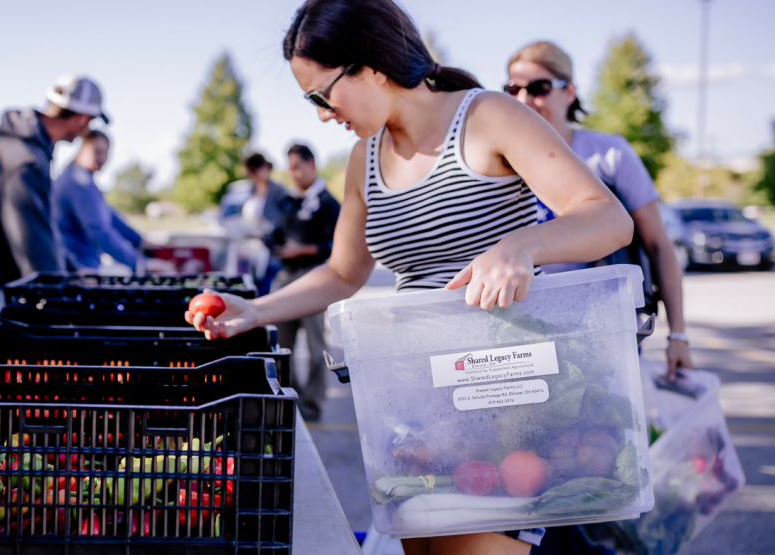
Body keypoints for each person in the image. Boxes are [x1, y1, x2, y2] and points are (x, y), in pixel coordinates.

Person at [188, 1, 633, 554]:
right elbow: (343, 272)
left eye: (321, 95)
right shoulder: (361, 158)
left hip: (500, 400)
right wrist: (255, 310)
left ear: (369, 66)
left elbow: (609, 217)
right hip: (416, 413)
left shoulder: (488, 115)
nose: (322, 114)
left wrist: (520, 245)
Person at [506, 41, 693, 381]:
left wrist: (677, 335)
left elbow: (659, 246)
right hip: (524, 331)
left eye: (539, 88)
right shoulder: (499, 161)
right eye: (512, 88)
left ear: (570, 91)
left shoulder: (609, 154)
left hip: (603, 329)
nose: (523, 100)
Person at [0, 75, 108, 288]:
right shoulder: (26, 161)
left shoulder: (27, 147)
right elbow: (33, 245)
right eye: (90, 122)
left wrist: (73, 271)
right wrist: (58, 290)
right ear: (81, 118)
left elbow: (44, 231)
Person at [269, 144, 341, 421]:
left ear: (312, 164)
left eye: (297, 166)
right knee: (280, 346)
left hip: (314, 277)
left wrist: (304, 250)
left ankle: (311, 404)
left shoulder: (328, 203)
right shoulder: (288, 201)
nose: (293, 173)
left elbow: (338, 245)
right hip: (286, 277)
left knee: (315, 348)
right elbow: (276, 233)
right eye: (290, 167)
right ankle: (289, 401)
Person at [53, 129, 143, 272]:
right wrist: (139, 264)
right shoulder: (79, 182)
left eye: (106, 152)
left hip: (85, 264)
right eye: (97, 151)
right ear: (82, 150)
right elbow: (99, 231)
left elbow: (110, 216)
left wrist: (140, 240)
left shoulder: (84, 179)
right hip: (79, 269)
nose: (102, 157)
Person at [218, 153, 290, 294]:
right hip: (249, 249)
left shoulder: (278, 191)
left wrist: (263, 227)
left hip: (269, 250)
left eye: (254, 170)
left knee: (265, 290)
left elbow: (282, 222)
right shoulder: (250, 189)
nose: (253, 175)